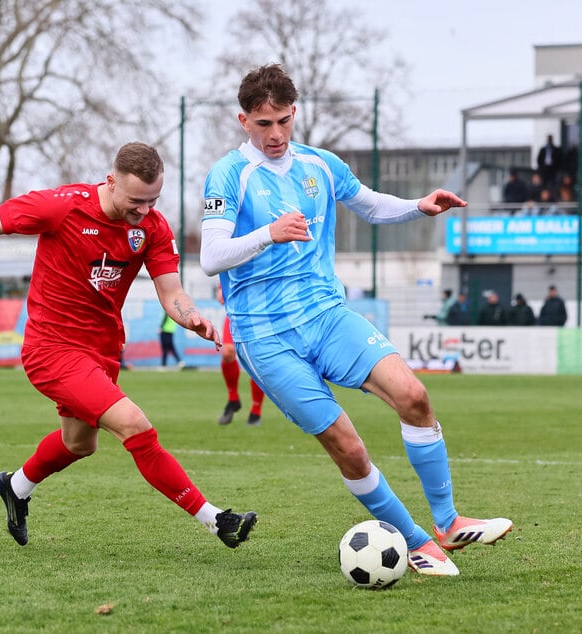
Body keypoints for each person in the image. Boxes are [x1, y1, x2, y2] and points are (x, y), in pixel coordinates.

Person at [200, 64, 512, 578]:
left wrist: (419, 206)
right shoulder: (228, 175)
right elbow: (211, 256)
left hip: (326, 314)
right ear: (243, 121)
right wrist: (268, 234)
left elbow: (369, 204)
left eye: (282, 120)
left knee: (413, 396)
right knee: (348, 446)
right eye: (262, 124)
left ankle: (449, 522)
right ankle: (414, 542)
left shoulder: (319, 164)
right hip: (265, 334)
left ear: (294, 113)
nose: (275, 134)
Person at [0, 142, 257, 549]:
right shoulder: (62, 206)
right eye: (135, 201)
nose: (144, 211)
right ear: (110, 182)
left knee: (80, 443)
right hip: (51, 349)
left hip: (102, 350)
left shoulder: (153, 227)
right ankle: (216, 519)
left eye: (153, 200)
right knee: (135, 426)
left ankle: (16, 486)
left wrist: (191, 316)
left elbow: (172, 291)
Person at [216, 283, 265, 425]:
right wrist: (221, 290)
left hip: (259, 314)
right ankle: (233, 399)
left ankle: (256, 411)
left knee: (257, 361)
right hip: (235, 314)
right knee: (227, 352)